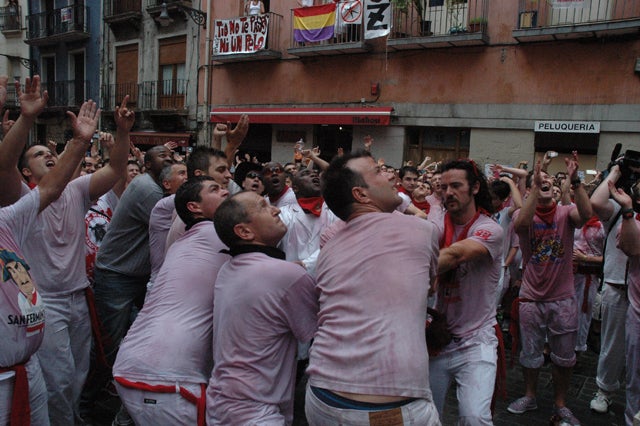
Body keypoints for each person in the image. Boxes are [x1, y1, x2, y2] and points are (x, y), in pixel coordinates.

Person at [305, 151, 441, 425]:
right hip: (389, 403)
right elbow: (430, 287)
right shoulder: (420, 231)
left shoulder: (329, 245)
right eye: (378, 172)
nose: (391, 174)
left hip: (321, 393)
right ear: (361, 195)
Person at [0, 95, 100, 426]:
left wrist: (80, 141)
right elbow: (5, 168)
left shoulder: (8, 219)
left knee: (64, 388)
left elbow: (54, 187)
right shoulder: (16, 202)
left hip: (27, 362)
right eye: (38, 155)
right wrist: (26, 121)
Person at [113, 176, 230, 426]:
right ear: (193, 207)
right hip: (163, 377)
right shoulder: (216, 235)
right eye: (215, 189)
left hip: (145, 367)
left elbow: (171, 203)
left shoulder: (185, 241)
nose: (226, 190)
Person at [206, 191, 318, 425]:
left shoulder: (228, 269)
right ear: (244, 231)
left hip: (219, 402)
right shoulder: (286, 274)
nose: (276, 210)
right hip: (255, 411)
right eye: (263, 206)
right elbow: (318, 332)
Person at [82, 143, 174, 418]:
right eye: (162, 155)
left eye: (171, 154)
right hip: (117, 276)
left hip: (138, 276)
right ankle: (86, 405)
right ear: (146, 165)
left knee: (146, 341)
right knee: (108, 344)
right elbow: (179, 225)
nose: (169, 157)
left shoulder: (159, 188)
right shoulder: (148, 190)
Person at [508, 152, 592, 426]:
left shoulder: (566, 213)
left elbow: (586, 215)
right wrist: (533, 182)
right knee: (530, 353)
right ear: (533, 187)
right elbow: (521, 224)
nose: (546, 181)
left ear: (557, 191)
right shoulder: (523, 214)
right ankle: (530, 396)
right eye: (540, 179)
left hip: (562, 298)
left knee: (564, 358)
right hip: (532, 297)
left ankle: (561, 403)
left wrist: (575, 180)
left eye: (549, 181)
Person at [429, 159, 504, 425]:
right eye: (444, 186)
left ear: (474, 188)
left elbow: (456, 254)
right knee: (425, 417)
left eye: (456, 186)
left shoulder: (490, 229)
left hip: (476, 340)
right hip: (436, 341)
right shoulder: (435, 223)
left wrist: (403, 265)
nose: (448, 192)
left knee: (474, 418)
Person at [588, 163, 633, 414]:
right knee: (612, 343)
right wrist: (616, 171)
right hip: (617, 284)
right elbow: (596, 202)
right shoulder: (617, 208)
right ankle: (604, 390)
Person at [607, 180, 640, 425]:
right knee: (636, 379)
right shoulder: (633, 221)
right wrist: (627, 211)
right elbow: (631, 247)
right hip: (638, 314)